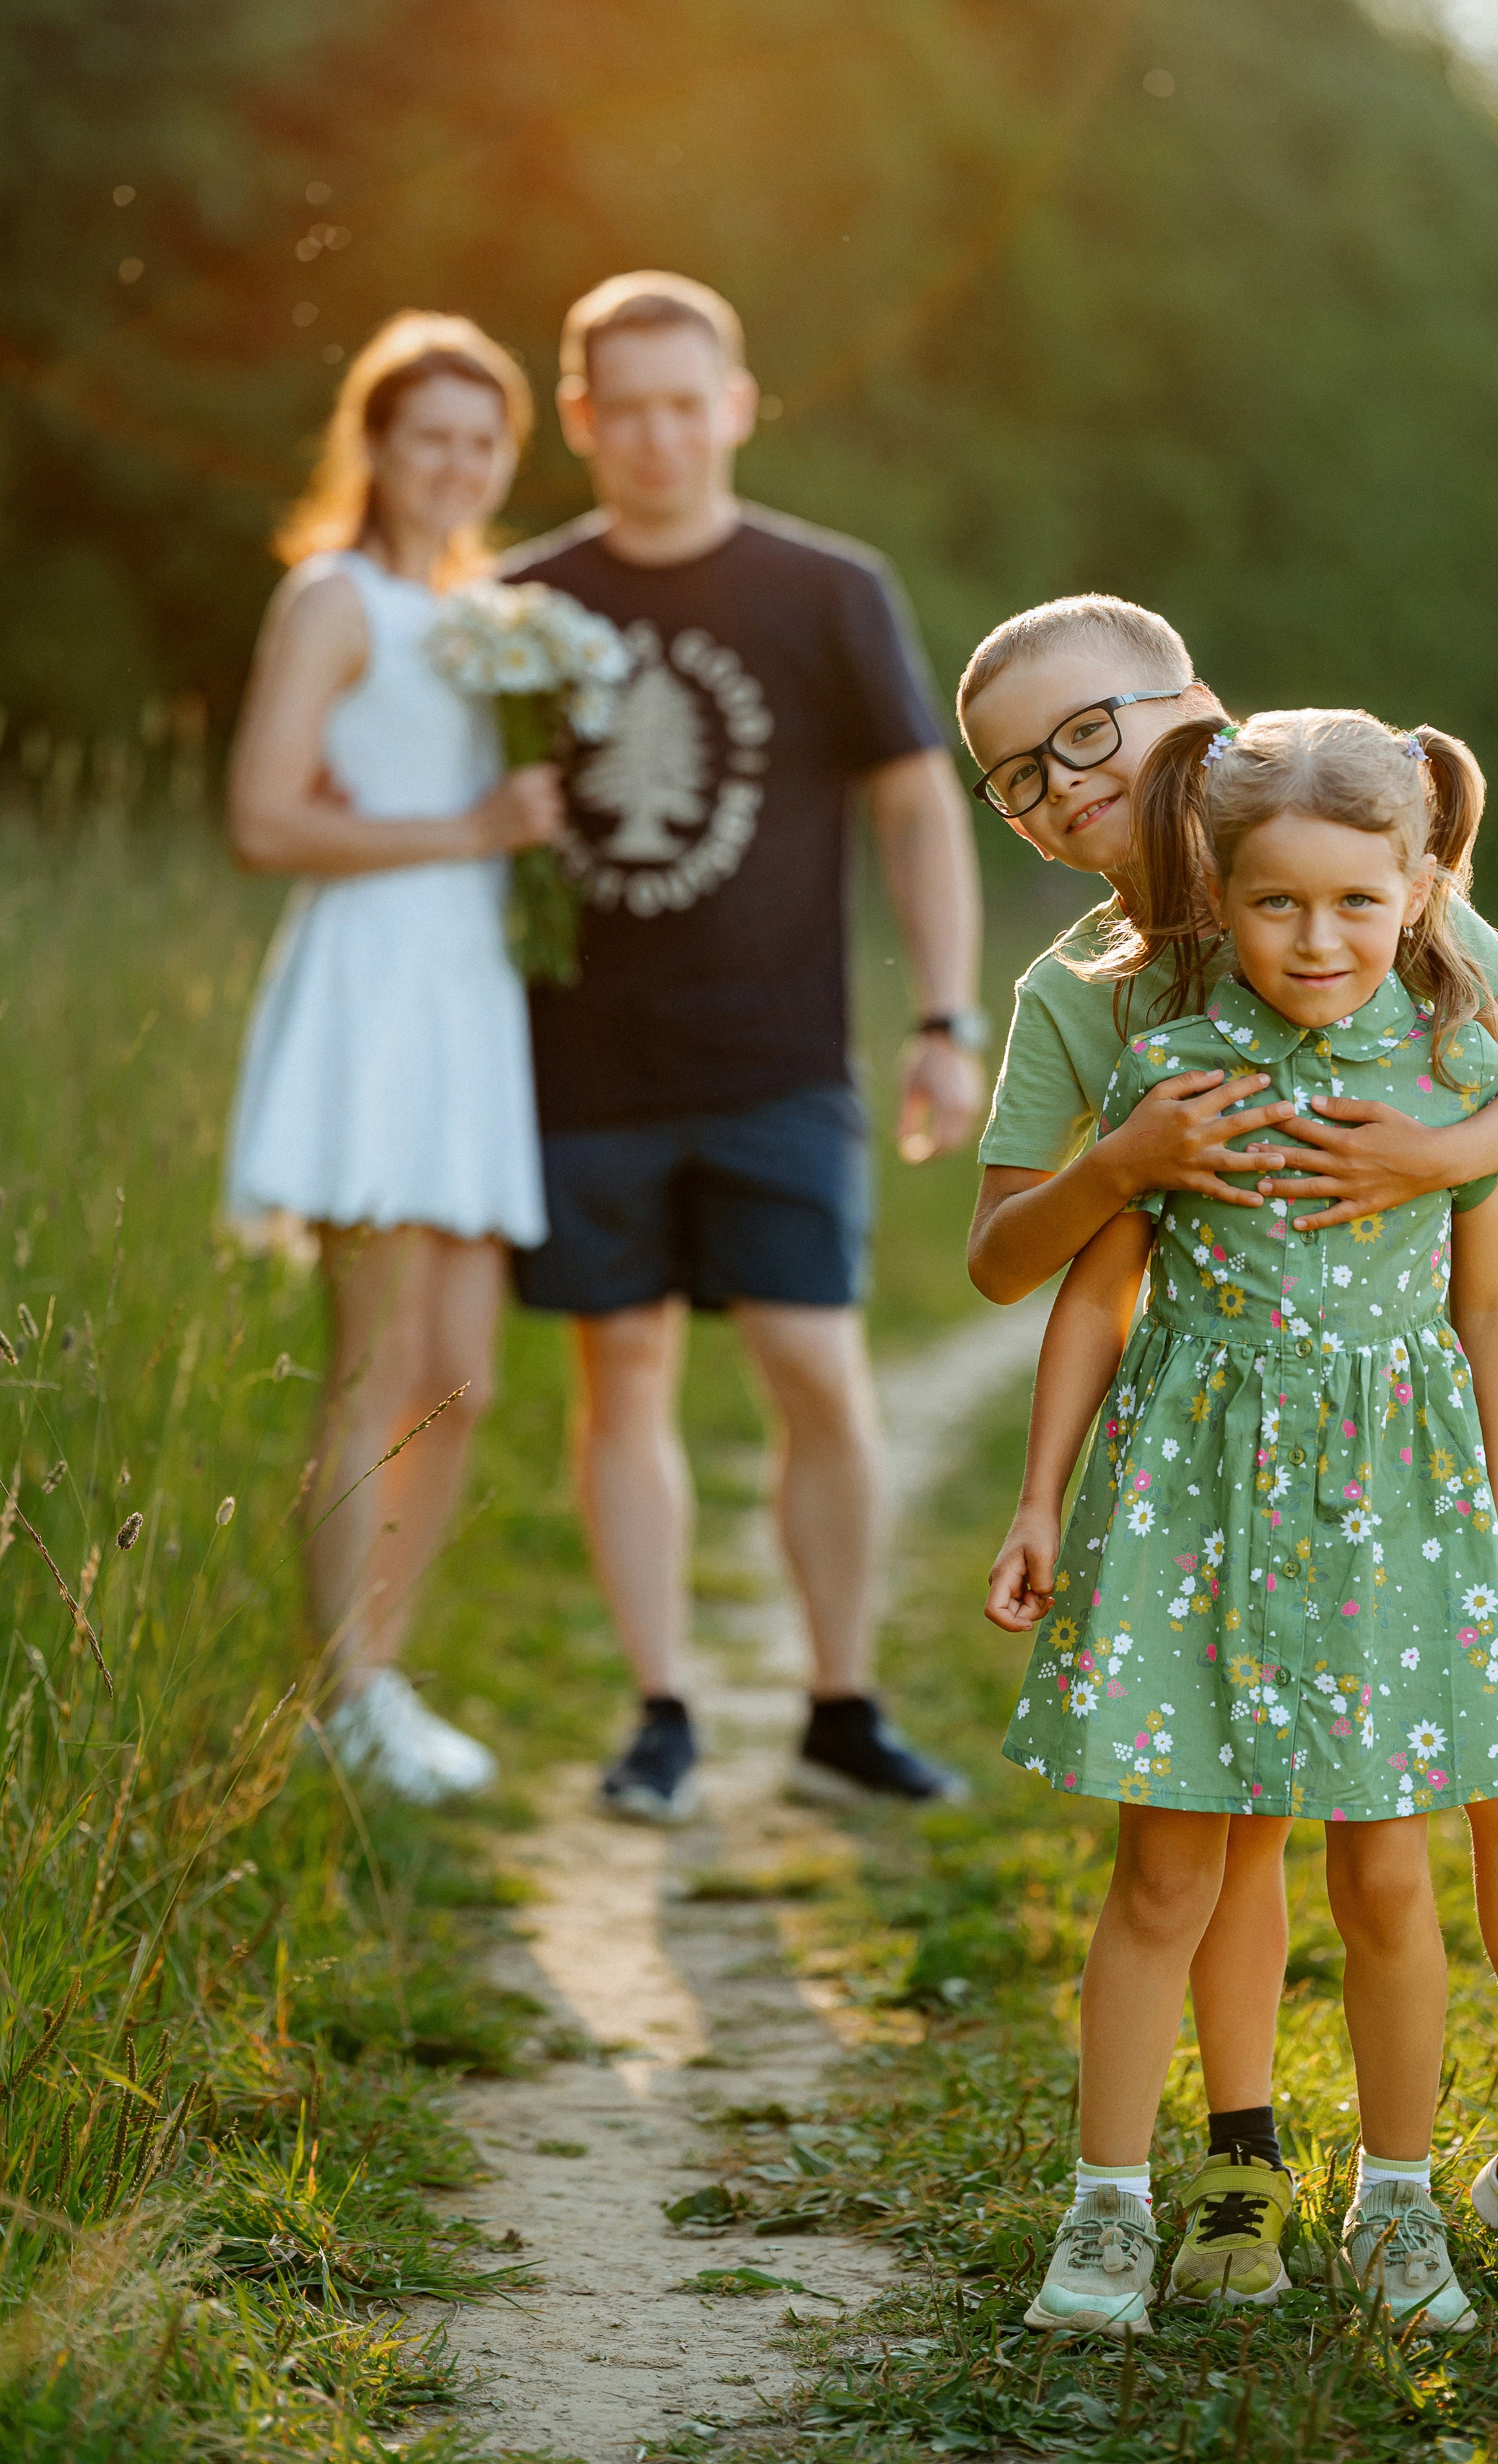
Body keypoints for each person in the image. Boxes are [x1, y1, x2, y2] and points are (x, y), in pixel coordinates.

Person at [963, 601, 1498, 2334]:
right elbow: (1021, 1264)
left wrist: (1431, 1154)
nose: (1061, 788)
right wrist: (1120, 1162)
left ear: (1180, 714)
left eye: (1087, 737)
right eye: (1016, 776)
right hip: (1213, 1462)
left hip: (1422, 1457)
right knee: (1223, 1837)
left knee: (1487, 1789)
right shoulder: (1102, 998)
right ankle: (1230, 2167)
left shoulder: (1350, 857)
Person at [501, 271, 985, 1820]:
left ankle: (839, 1704)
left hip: (779, 1056)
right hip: (578, 1058)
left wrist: (944, 1017)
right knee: (621, 1367)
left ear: (732, 403)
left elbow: (914, 805)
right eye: (618, 409)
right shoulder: (516, 606)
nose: (650, 435)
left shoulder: (823, 589)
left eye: (677, 403)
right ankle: (659, 1713)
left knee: (814, 1371)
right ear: (581, 419)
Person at [225, 310, 564, 1803]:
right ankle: (338, 1691)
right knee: (372, 1359)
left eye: (480, 440)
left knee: (462, 1376)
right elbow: (264, 821)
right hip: (374, 988)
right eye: (425, 433)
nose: (453, 462)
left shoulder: (493, 609)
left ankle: (385, 1676)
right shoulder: (333, 598)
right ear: (374, 441)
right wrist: (467, 832)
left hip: (470, 999)